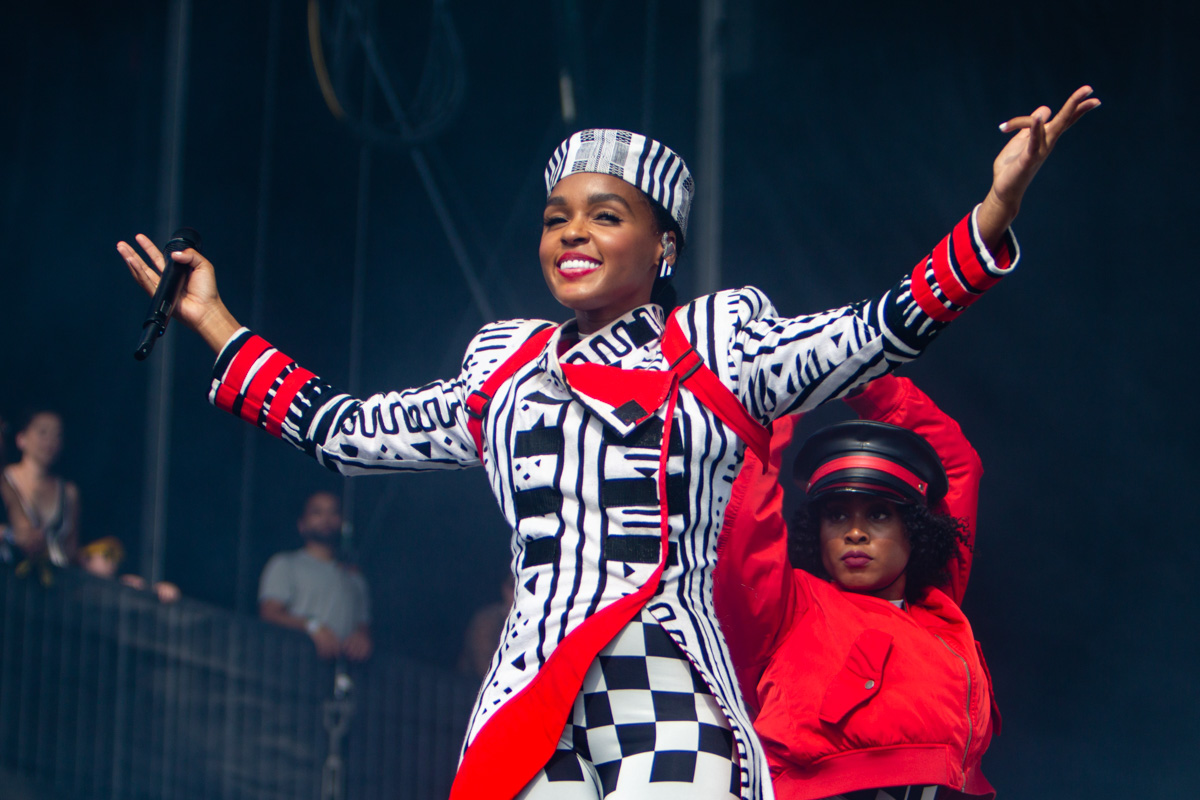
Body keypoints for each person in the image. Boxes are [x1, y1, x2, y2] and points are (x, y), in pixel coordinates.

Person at [118, 87, 1097, 800]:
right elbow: (342, 431)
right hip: (527, 701)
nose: (572, 234)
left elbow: (878, 328)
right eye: (557, 218)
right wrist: (215, 321)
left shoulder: (718, 349)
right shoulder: (503, 372)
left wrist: (993, 214)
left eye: (605, 214)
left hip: (665, 682)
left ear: (663, 245)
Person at [714, 374, 995, 800]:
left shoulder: (938, 607)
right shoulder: (790, 608)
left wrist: (855, 375)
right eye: (837, 515)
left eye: (879, 514)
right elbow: (744, 514)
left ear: (916, 529)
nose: (855, 532)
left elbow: (955, 465)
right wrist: (786, 385)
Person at [258, 491, 373, 661]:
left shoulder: (355, 578)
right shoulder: (286, 563)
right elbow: (269, 614)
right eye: (317, 512)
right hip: (294, 663)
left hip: (344, 670)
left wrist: (362, 638)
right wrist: (312, 626)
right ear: (302, 524)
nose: (326, 518)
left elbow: (364, 625)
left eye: (333, 512)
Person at [0, 410, 79, 569]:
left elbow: (71, 550)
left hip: (55, 577)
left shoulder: (68, 492)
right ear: (21, 438)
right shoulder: (6, 479)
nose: (50, 440)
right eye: (43, 432)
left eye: (57, 435)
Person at [78, 535, 182, 603]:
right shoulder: (74, 590)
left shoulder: (120, 587)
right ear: (85, 557)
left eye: (117, 557)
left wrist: (157, 591)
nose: (113, 562)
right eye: (107, 554)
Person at [458, 575, 516, 680]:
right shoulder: (487, 621)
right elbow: (483, 666)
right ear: (504, 589)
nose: (518, 593)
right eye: (513, 586)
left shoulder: (537, 622)